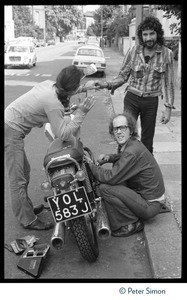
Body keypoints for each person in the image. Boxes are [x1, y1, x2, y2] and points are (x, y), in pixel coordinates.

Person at [5, 65, 96, 230]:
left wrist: (82, 89)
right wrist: (81, 112)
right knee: (18, 180)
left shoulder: (51, 85)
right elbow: (64, 134)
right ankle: (28, 220)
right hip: (10, 131)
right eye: (78, 84)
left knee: (24, 172)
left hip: (11, 124)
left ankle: (26, 210)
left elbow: (64, 91)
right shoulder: (53, 103)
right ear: (70, 87)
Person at [94, 16, 175, 154]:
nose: (148, 38)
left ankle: (145, 171)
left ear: (158, 34)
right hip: (132, 98)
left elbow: (169, 84)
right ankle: (122, 167)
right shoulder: (133, 52)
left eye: (151, 34)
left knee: (147, 141)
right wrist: (107, 84)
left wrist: (168, 108)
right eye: (145, 34)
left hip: (151, 101)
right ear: (141, 36)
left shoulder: (167, 54)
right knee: (124, 135)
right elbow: (123, 75)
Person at [86, 112, 165, 237]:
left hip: (151, 206)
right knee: (113, 179)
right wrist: (109, 157)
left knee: (104, 188)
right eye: (115, 129)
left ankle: (130, 223)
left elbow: (110, 177)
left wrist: (91, 166)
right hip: (150, 198)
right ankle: (127, 216)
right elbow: (121, 158)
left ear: (131, 129)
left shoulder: (131, 151)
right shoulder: (131, 144)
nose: (119, 132)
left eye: (123, 127)